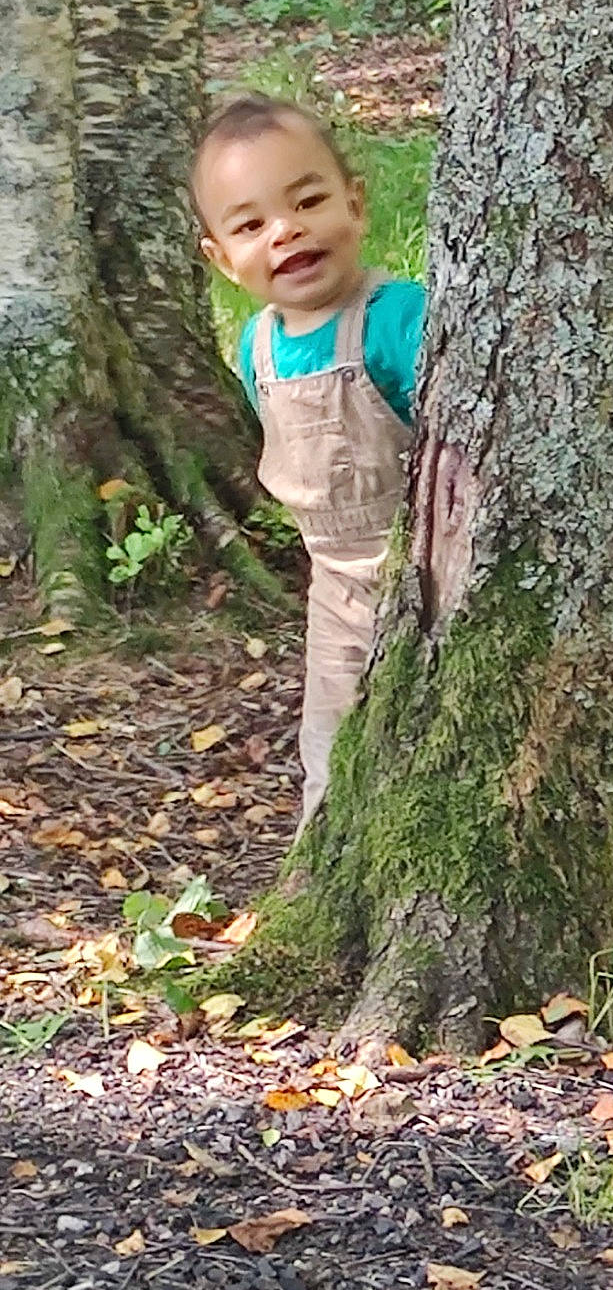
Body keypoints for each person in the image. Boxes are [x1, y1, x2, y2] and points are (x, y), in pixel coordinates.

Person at [192, 91, 425, 835]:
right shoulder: (257, 348)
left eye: (308, 201)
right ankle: (327, 870)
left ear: (354, 205)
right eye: (252, 225)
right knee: (329, 744)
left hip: (427, 576)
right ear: (222, 259)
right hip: (334, 591)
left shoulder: (396, 320)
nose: (286, 231)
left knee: (436, 740)